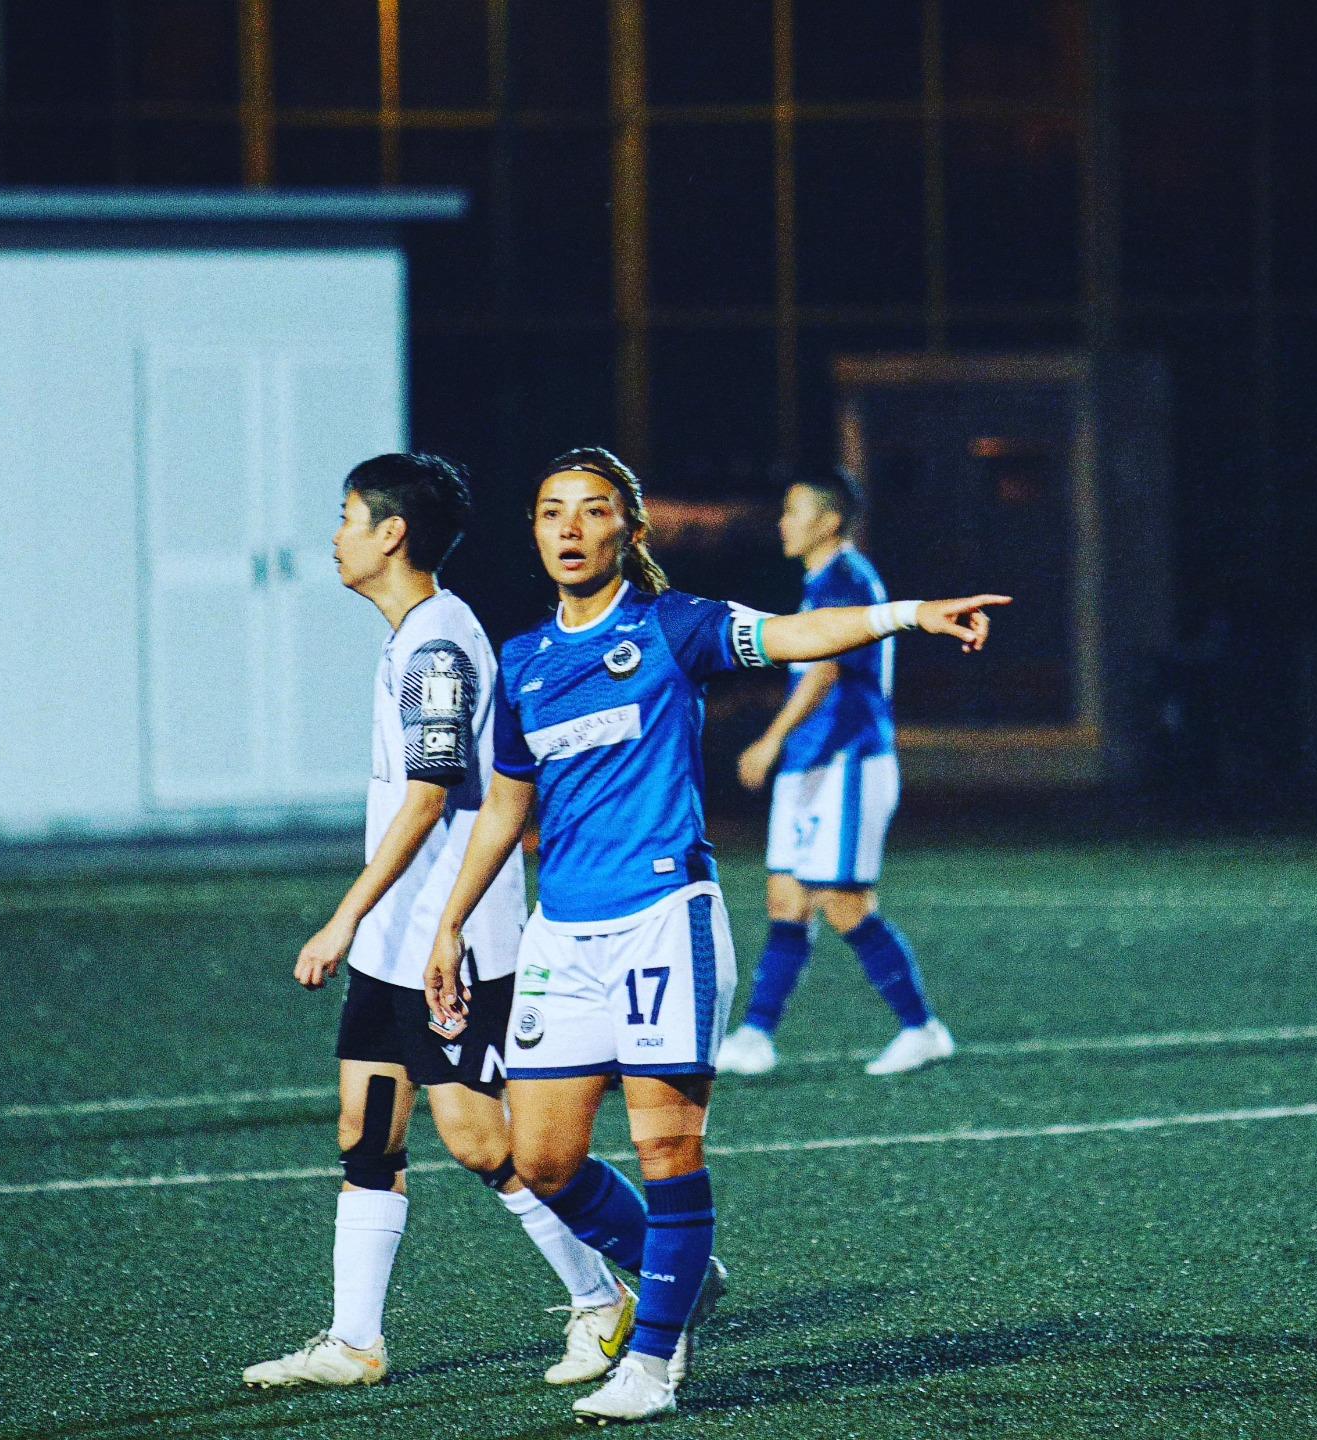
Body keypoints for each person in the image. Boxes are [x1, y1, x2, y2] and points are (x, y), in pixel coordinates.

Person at [423, 446, 1008, 1425]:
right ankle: (679, 1270)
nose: (570, 527)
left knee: (666, 1150)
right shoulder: (522, 662)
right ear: (533, 531)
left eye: (593, 509)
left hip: (663, 921)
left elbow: (795, 635)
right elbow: (504, 811)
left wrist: (909, 613)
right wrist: (451, 925)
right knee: (544, 1161)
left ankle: (653, 1363)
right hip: (562, 936)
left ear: (629, 530)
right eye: (552, 511)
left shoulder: (673, 626)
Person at [242, 453, 632, 1393]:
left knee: (482, 1142)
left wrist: (341, 920)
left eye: (347, 516)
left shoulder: (438, 648)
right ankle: (355, 1342)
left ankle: (605, 1297)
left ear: (391, 534)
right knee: (367, 1130)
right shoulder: (413, 635)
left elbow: (428, 795)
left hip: (449, 945)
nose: (335, 536)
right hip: (396, 944)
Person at [718, 470, 953, 1079]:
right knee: (786, 898)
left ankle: (921, 1028)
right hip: (812, 762)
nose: (782, 522)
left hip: (848, 759)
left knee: (843, 901)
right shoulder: (820, 582)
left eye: (793, 511)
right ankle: (756, 1036)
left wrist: (770, 739)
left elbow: (824, 670)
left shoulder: (847, 580)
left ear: (828, 521)